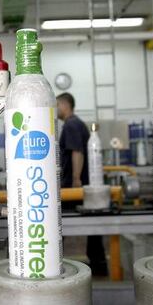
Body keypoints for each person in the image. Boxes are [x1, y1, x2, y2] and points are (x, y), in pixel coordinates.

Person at [56, 92, 108, 276]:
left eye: (56, 105)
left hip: (74, 185)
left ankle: (55, 263)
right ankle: (99, 263)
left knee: (59, 224)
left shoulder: (71, 125)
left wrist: (76, 179)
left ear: (64, 105)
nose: (55, 109)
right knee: (91, 225)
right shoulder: (75, 124)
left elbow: (77, 152)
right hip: (79, 183)